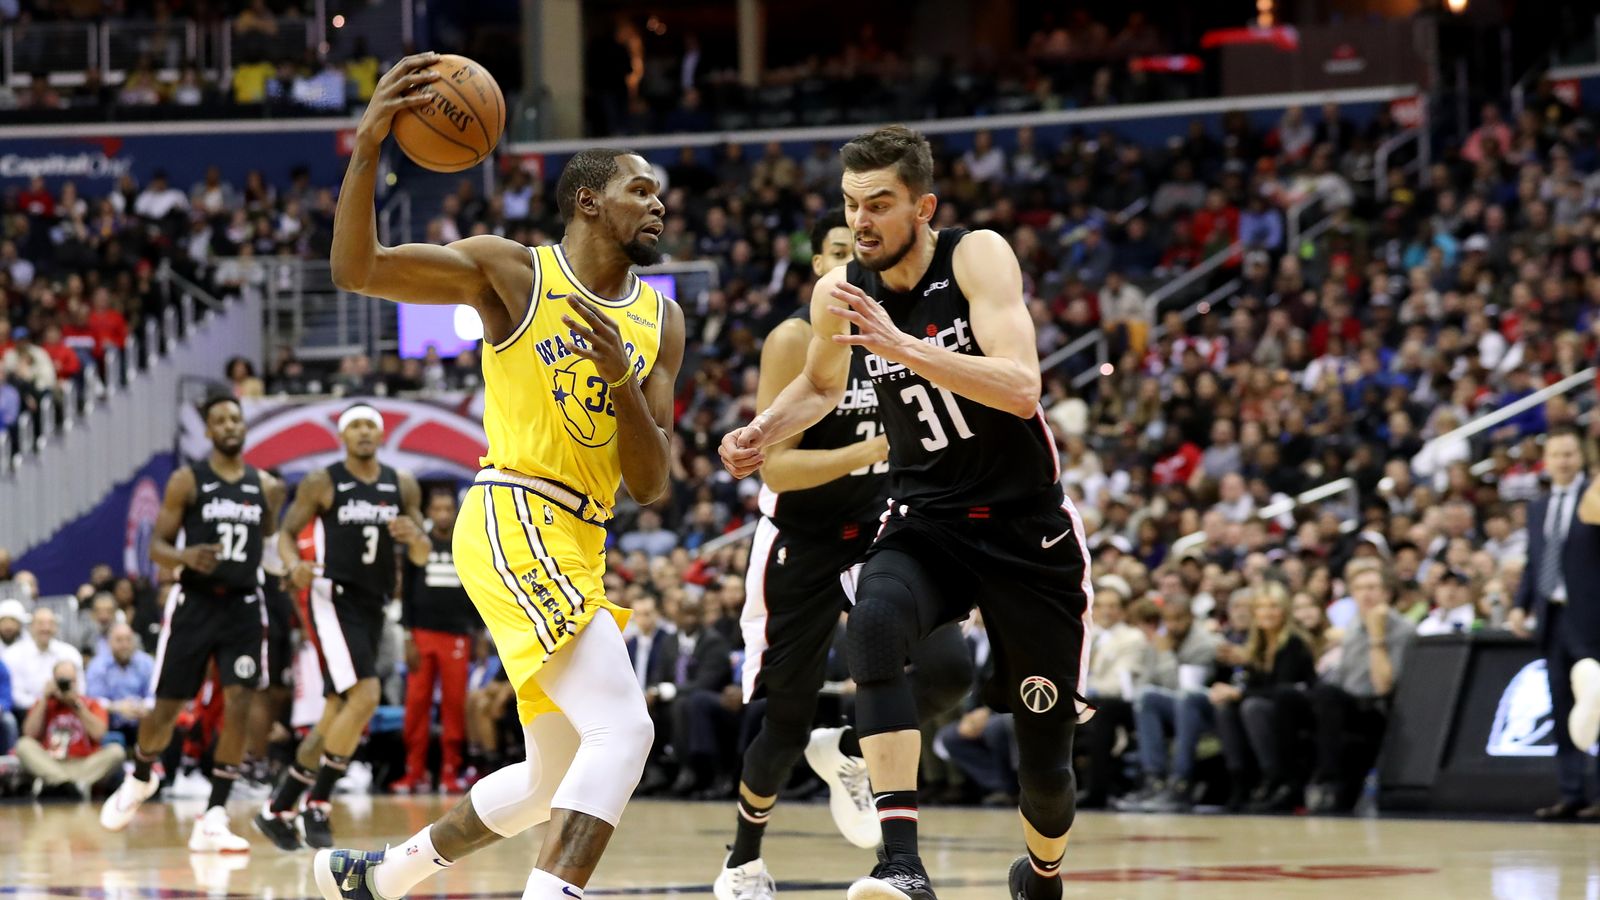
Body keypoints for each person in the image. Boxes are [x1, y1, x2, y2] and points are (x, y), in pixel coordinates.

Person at [309, 53, 684, 900]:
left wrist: (622, 382)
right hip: (515, 509)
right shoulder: (513, 272)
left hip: (583, 537)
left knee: (551, 778)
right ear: (588, 201)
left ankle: (381, 877)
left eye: (660, 193)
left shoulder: (661, 319)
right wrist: (368, 146)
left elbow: (652, 483)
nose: (658, 203)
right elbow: (358, 269)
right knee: (624, 731)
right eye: (640, 190)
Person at [721, 125, 1092, 900]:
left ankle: (1043, 874)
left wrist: (901, 345)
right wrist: (764, 429)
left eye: (880, 203)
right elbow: (821, 386)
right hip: (928, 516)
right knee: (876, 623)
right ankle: (900, 865)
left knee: (1046, 766)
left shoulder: (976, 255)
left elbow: (1022, 386)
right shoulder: (839, 289)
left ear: (923, 207)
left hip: (1025, 525)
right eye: (851, 203)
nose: (861, 220)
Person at [714, 208, 972, 899]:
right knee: (786, 720)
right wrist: (874, 449)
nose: (849, 265)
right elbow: (776, 469)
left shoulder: (895, 331)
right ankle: (742, 861)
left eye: (858, 252)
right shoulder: (795, 338)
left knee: (949, 669)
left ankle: (853, 751)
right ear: (816, 267)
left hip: (882, 528)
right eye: (836, 252)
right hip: (801, 540)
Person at [99, 395, 285, 852]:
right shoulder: (188, 480)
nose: (229, 425)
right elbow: (156, 547)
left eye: (235, 418)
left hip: (244, 605)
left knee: (239, 704)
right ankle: (141, 774)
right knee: (166, 707)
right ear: (208, 431)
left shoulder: (266, 486)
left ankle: (215, 815)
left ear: (243, 426)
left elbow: (268, 545)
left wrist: (289, 562)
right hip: (195, 604)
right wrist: (184, 555)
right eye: (220, 420)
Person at [254, 403, 424, 851]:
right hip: (332, 596)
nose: (364, 432)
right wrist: (293, 565)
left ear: (381, 435)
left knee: (337, 712)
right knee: (366, 696)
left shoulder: (402, 484)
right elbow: (286, 535)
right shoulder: (323, 481)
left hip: (375, 604)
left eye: (371, 425)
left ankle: (278, 807)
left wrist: (416, 537)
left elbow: (423, 552)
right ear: (343, 435)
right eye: (356, 426)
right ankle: (318, 803)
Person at [1510, 428, 1600, 819]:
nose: (1563, 461)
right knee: (1561, 707)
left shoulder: (1595, 498)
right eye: (1556, 454)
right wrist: (1521, 605)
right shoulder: (1538, 507)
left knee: (1598, 704)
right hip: (1553, 619)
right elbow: (1535, 561)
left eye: (1569, 453)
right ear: (1545, 460)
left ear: (1581, 457)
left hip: (1592, 619)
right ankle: (1571, 792)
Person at [1305, 562, 1414, 813]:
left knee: (1328, 697)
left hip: (1376, 710)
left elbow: (1384, 687)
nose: (1366, 594)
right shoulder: (1354, 625)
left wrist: (1377, 636)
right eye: (1360, 588)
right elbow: (1341, 677)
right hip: (1343, 704)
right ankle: (1282, 784)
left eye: (1373, 587)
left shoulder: (1403, 629)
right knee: (1289, 700)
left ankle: (1329, 782)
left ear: (1386, 593)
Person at [391, 489, 476, 795]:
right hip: (422, 634)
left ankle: (451, 771)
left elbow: (476, 588)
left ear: (455, 511)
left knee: (454, 704)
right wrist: (407, 635)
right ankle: (415, 772)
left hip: (457, 635)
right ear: (428, 512)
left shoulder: (466, 543)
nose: (443, 514)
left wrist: (478, 632)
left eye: (447, 508)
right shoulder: (419, 545)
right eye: (437, 509)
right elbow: (406, 594)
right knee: (416, 705)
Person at [1209, 583, 1315, 812]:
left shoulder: (1294, 642)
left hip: (1295, 712)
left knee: (1252, 706)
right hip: (1264, 708)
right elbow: (1253, 686)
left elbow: (1282, 689)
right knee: (1226, 708)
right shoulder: (1257, 645)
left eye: (1273, 606)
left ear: (1284, 611)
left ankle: (1274, 778)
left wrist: (1238, 693)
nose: (1267, 613)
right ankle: (1239, 780)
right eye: (1261, 607)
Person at [16, 658, 125, 799]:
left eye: (70, 681)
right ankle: (68, 784)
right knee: (23, 745)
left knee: (117, 751)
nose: (65, 686)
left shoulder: (91, 704)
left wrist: (76, 705)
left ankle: (58, 783)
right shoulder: (44, 704)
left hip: (83, 765)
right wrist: (44, 699)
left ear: (77, 681)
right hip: (51, 763)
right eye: (61, 681)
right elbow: (29, 733)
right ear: (53, 681)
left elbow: (99, 734)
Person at [84, 622, 154, 749]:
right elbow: (93, 700)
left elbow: (154, 696)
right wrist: (117, 707)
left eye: (128, 640)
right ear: (109, 642)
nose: (124, 645)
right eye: (119, 640)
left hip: (142, 720)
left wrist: (142, 706)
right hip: (110, 723)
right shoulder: (97, 666)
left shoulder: (147, 663)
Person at [5, 607, 84, 713]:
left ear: (56, 627)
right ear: (31, 626)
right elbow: (15, 695)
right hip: (26, 712)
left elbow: (81, 690)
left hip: (66, 707)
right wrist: (45, 702)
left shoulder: (70, 653)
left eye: (50, 623)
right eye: (40, 623)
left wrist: (62, 698)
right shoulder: (13, 654)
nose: (46, 628)